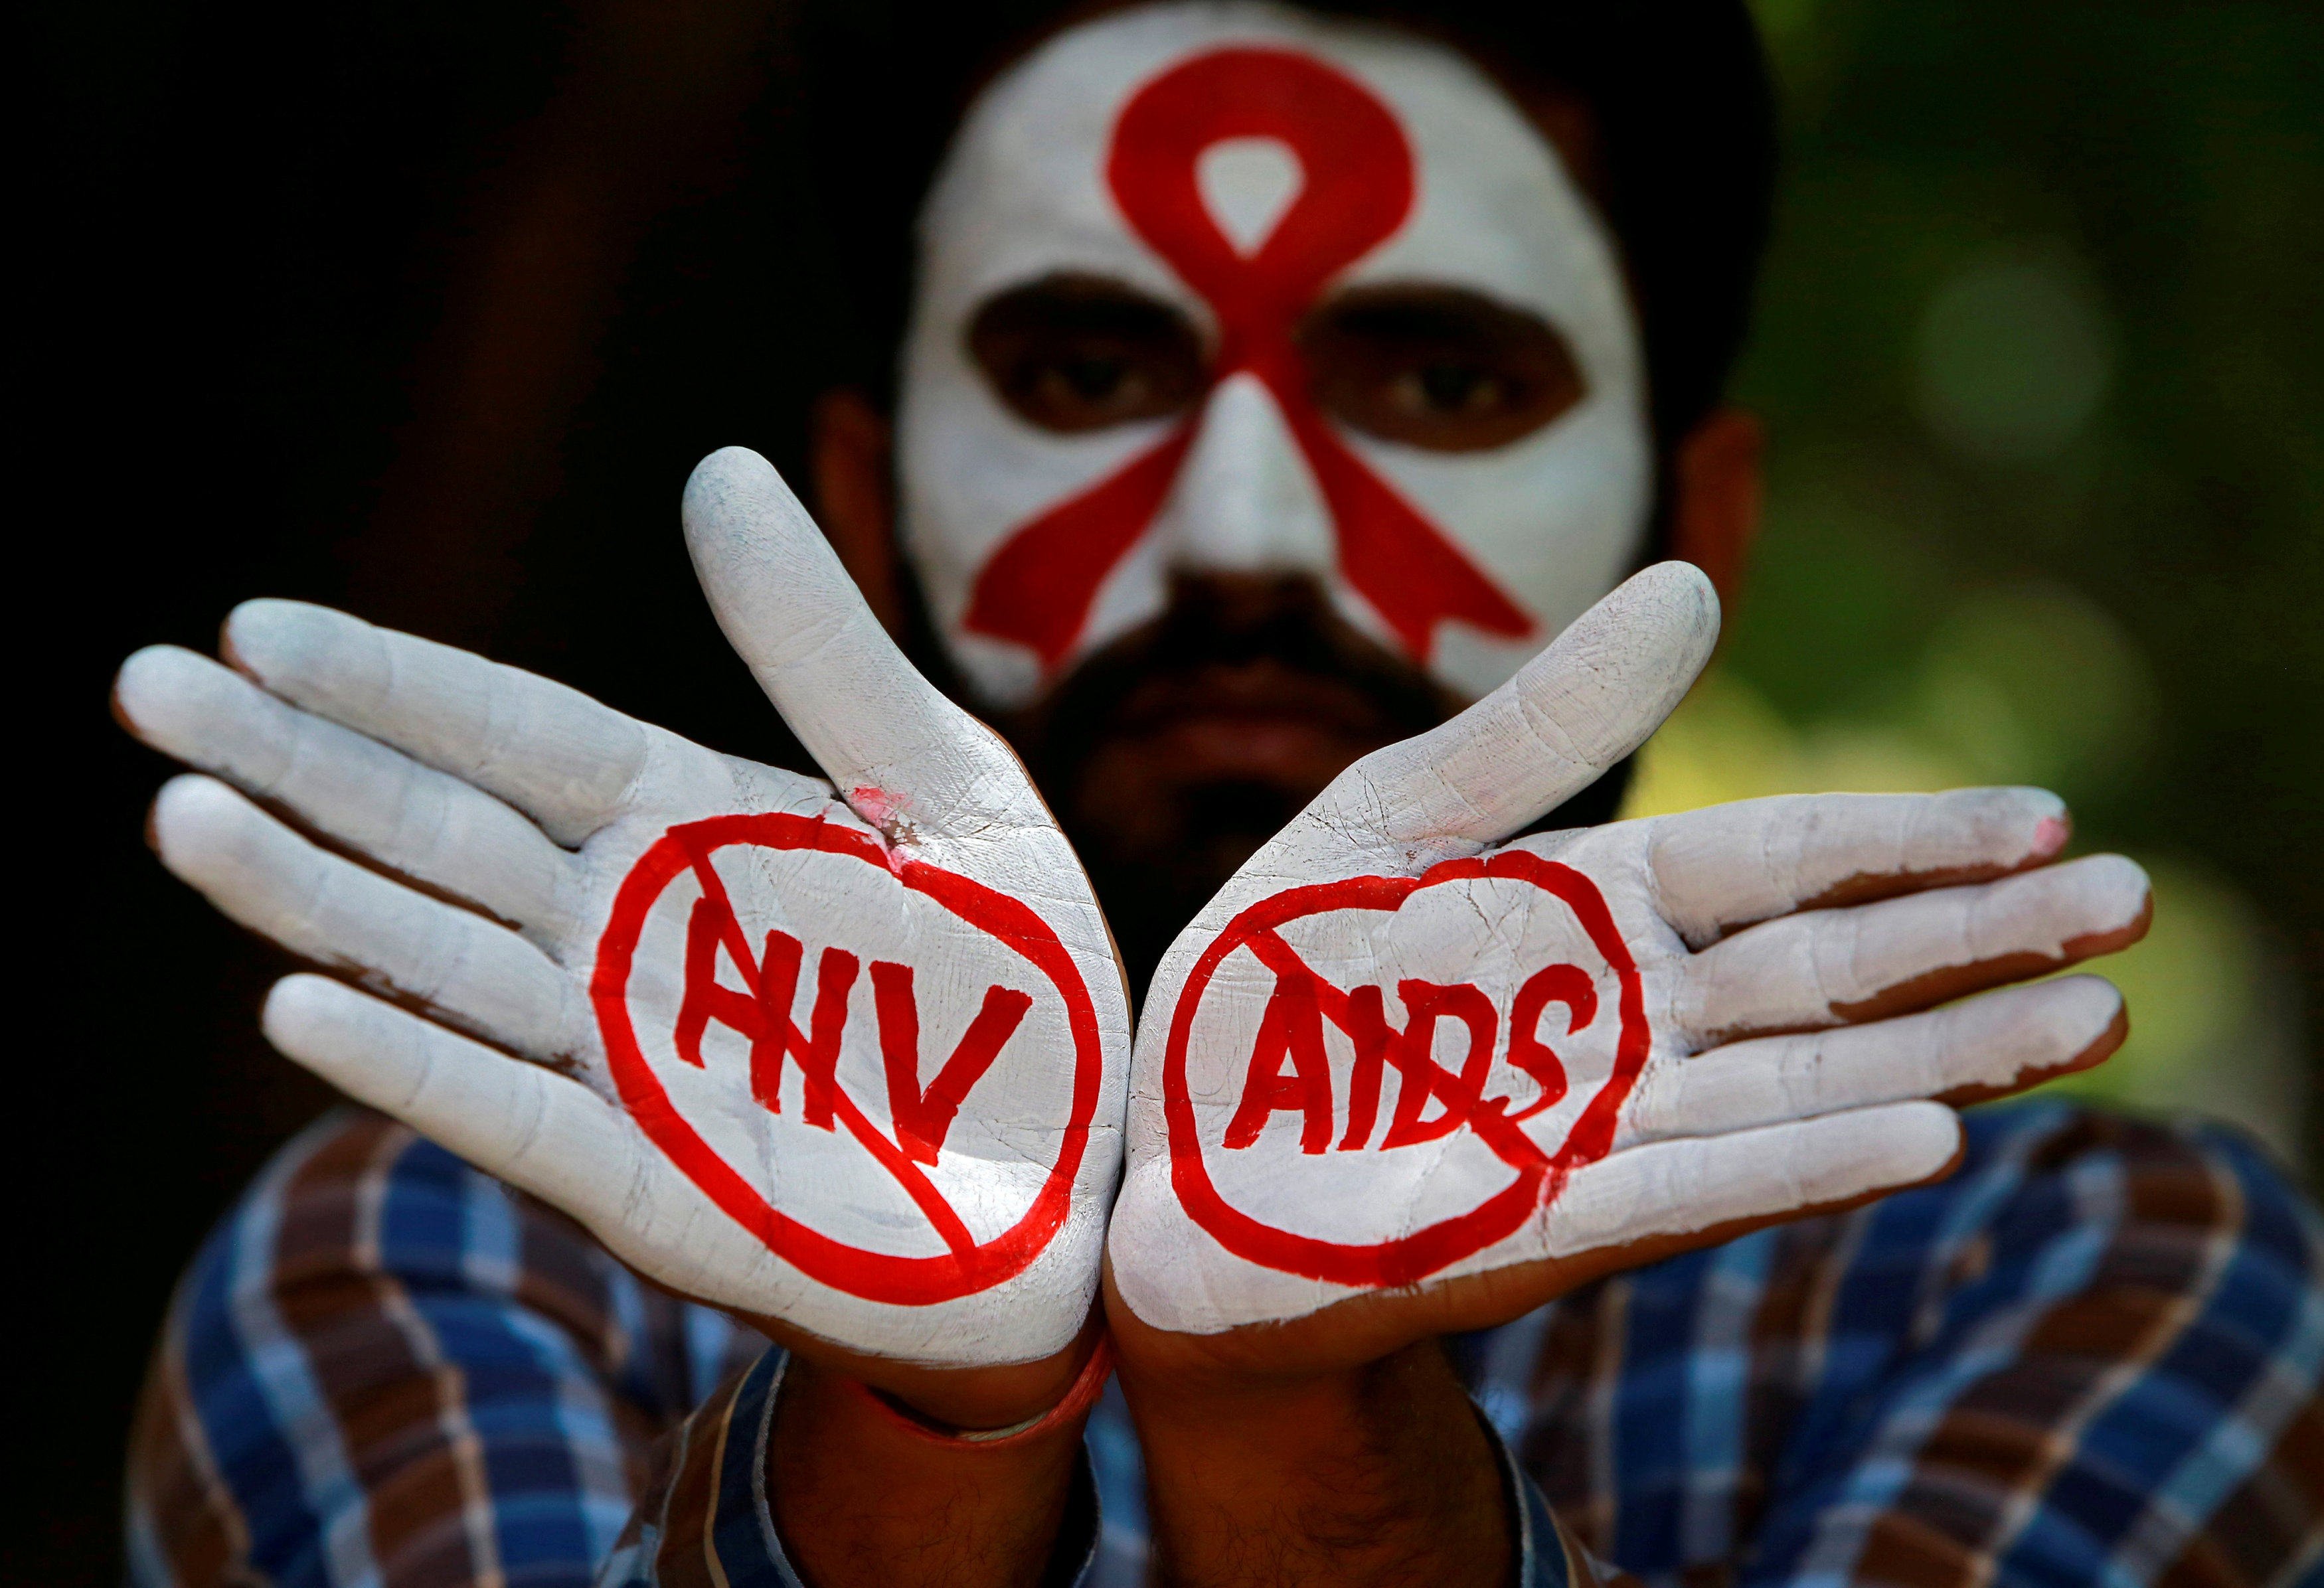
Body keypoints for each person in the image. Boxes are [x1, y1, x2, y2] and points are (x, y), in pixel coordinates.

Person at [115, 3, 2323, 1585]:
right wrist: (921, 1438)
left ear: (1703, 526)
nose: (1244, 530)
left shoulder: (2085, 1276)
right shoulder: (429, 1251)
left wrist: (1283, 1404)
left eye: (1441, 375)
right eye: (1084, 369)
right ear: (867, 516)